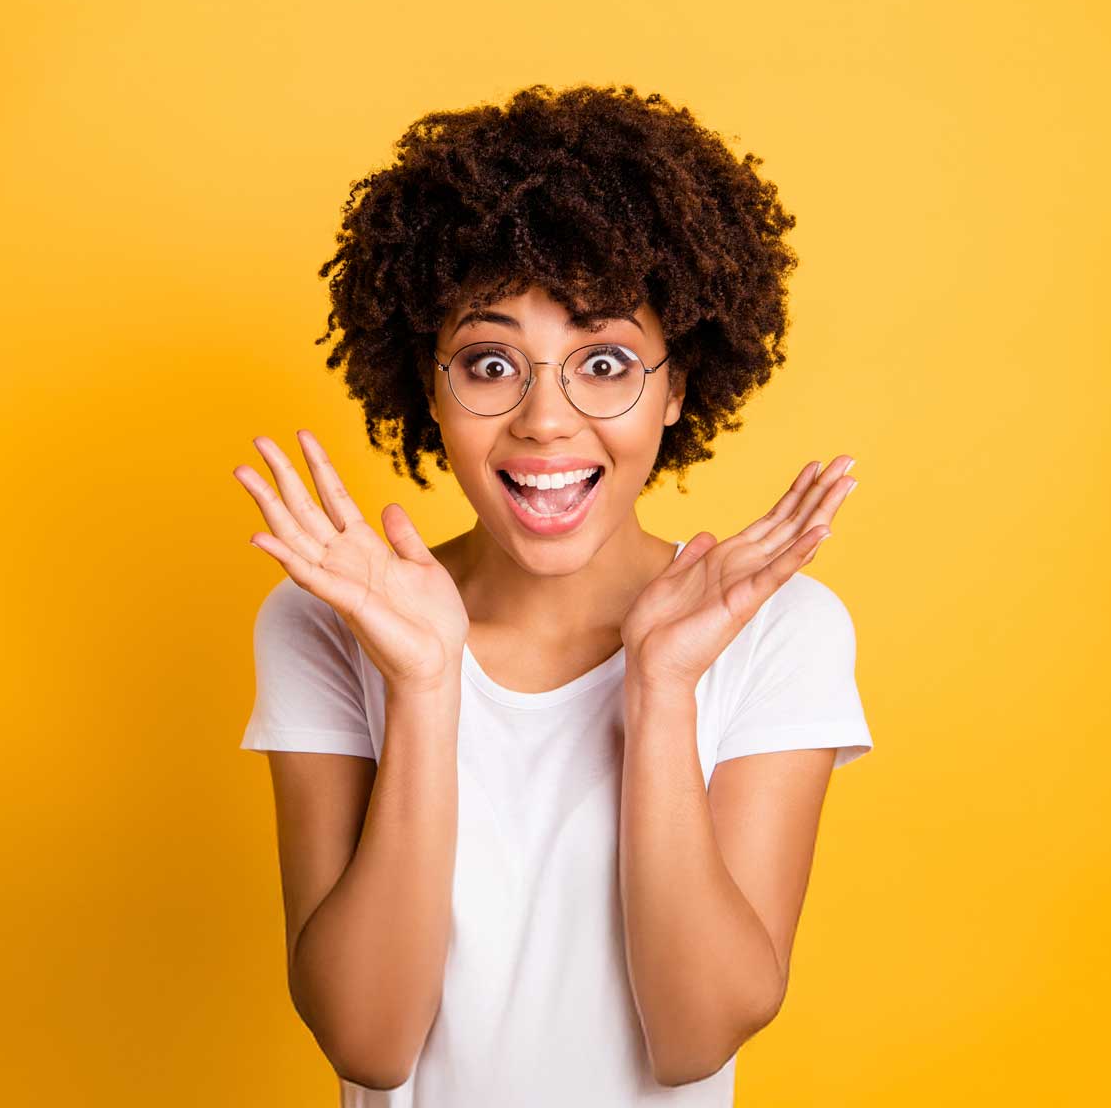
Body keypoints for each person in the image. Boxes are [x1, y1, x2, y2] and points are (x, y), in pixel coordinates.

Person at [232, 83, 873, 1106]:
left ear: (677, 385)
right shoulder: (327, 621)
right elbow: (368, 1039)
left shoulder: (779, 629)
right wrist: (427, 685)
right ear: (428, 386)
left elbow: (695, 1035)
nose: (546, 420)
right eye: (491, 363)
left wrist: (661, 690)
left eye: (605, 362)